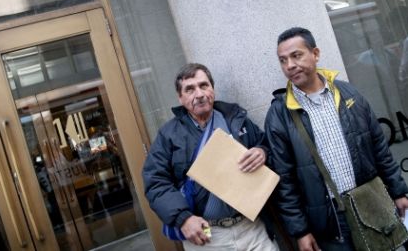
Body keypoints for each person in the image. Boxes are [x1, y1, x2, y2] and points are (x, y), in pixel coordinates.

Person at [265, 27, 408, 251]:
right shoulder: (279, 114)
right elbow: (285, 180)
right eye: (283, 60)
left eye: (296, 55)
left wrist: (398, 191)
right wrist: (301, 231)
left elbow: (379, 148)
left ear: (316, 53)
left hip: (369, 205)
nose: (289, 65)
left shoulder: (349, 94)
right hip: (330, 220)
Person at [142, 63, 279, 251]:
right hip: (206, 236)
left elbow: (268, 146)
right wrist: (183, 219)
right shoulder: (169, 135)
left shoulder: (236, 119)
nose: (199, 94)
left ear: (212, 89)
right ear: (180, 98)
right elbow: (156, 183)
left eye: (203, 85)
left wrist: (262, 152)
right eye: (189, 89)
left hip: (251, 228)